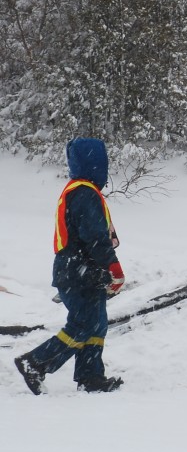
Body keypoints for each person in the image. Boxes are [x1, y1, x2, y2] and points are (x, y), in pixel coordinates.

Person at [14, 138, 126, 395]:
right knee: (84, 324)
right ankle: (35, 362)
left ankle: (91, 376)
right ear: (96, 163)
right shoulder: (83, 191)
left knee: (96, 325)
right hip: (77, 269)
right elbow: (95, 235)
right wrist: (114, 266)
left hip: (86, 270)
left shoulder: (83, 190)